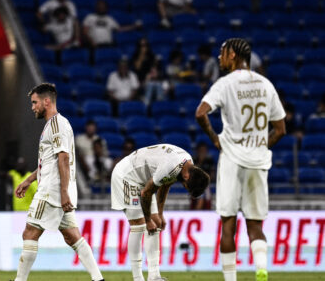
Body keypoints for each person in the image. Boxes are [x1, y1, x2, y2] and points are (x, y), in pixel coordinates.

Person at [195, 38, 286, 281]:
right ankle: (261, 271)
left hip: (232, 160)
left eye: (222, 53)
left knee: (228, 223)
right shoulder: (266, 84)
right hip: (258, 161)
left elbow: (201, 113)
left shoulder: (225, 84)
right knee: (255, 225)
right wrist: (259, 145)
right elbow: (280, 129)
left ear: (233, 54)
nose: (219, 58)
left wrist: (215, 138)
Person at [13, 83, 104, 281]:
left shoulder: (56, 124)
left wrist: (63, 192)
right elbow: (50, 161)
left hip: (51, 191)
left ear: (47, 101)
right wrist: (29, 179)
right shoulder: (54, 125)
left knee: (29, 233)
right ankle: (99, 279)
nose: (32, 107)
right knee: (73, 236)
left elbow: (63, 158)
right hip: (58, 190)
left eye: (35, 102)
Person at [111, 143, 210, 281]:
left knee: (156, 223)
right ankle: (137, 278)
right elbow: (146, 192)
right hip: (127, 176)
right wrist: (147, 220)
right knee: (138, 226)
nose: (184, 186)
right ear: (187, 177)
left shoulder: (188, 164)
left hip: (145, 180)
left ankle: (154, 276)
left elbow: (165, 184)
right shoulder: (171, 167)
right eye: (187, 187)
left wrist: (159, 214)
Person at [190, 142, 215, 210]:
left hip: (206, 185)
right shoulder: (193, 160)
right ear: (197, 151)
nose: (202, 152)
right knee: (199, 194)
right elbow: (191, 174)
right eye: (201, 151)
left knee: (205, 192)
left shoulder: (209, 161)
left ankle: (206, 211)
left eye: (204, 151)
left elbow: (212, 176)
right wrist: (200, 162)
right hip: (195, 185)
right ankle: (196, 212)